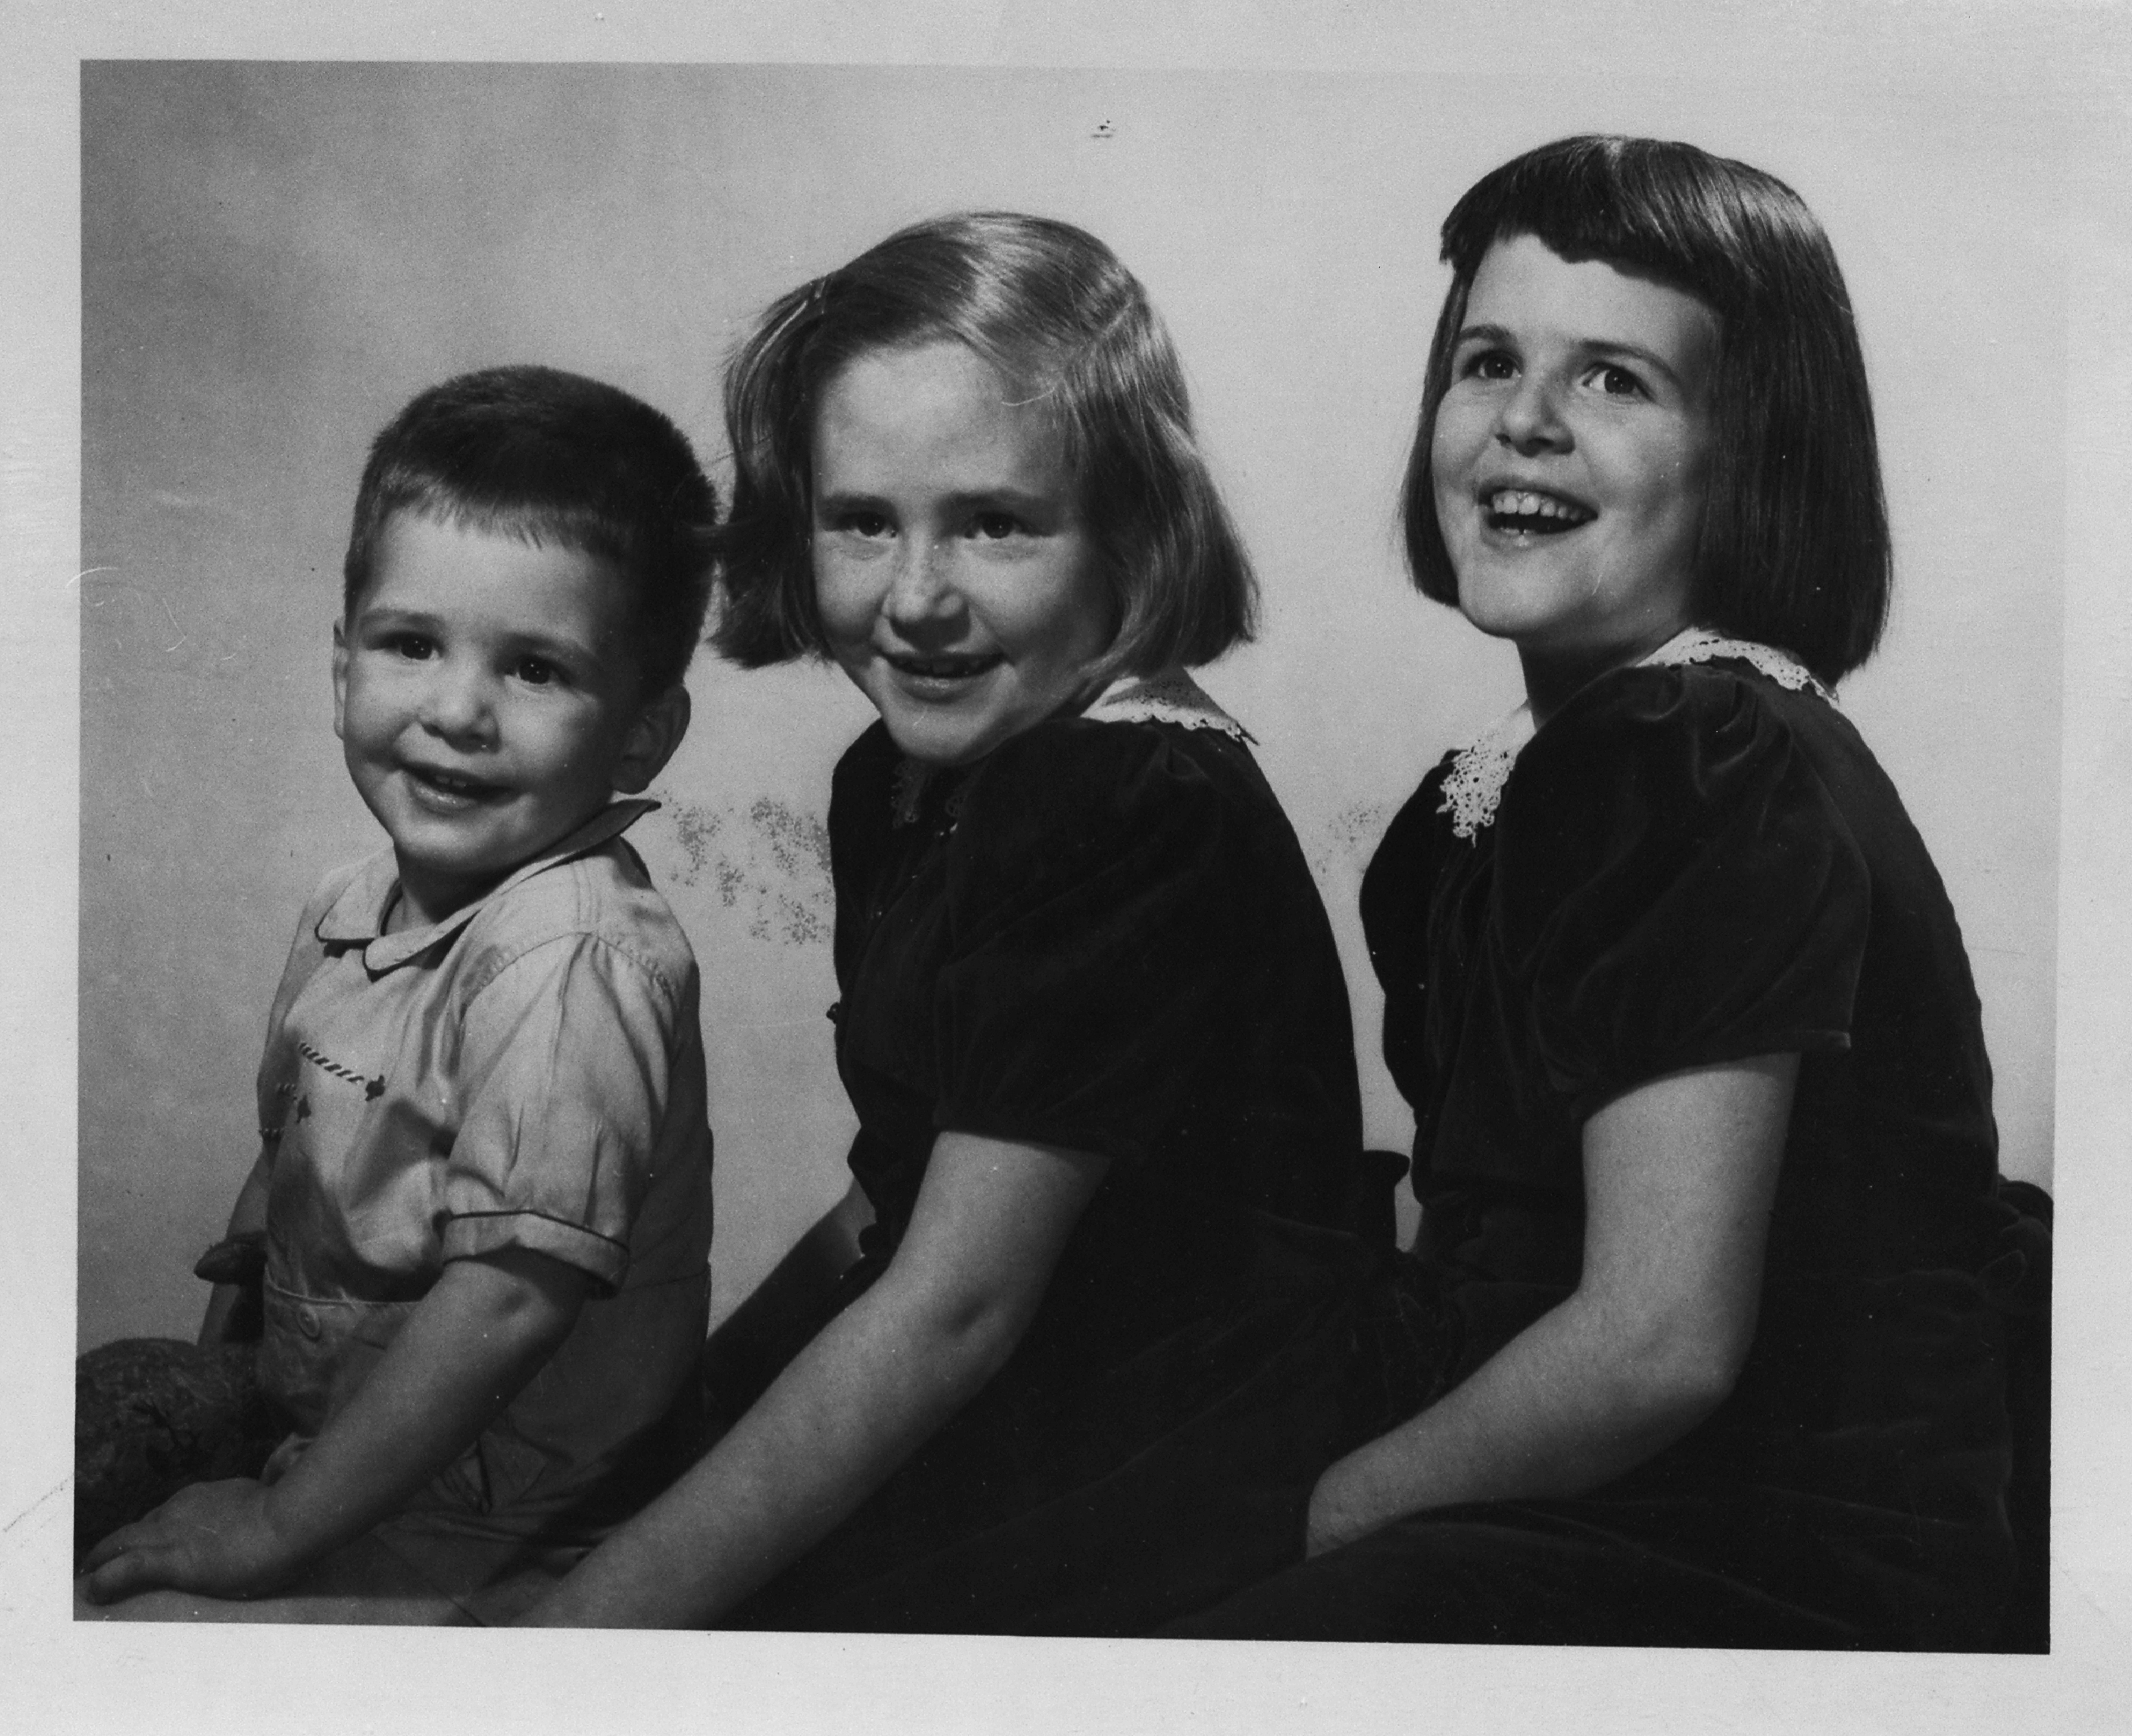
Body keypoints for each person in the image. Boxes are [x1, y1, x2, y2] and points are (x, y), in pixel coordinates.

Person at [1167, 136, 2047, 1650]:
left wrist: (1339, 1507)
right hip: (1583, 1480)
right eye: (1488, 361)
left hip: (1758, 1552)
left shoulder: (1693, 751)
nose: (1524, 420)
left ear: (1754, 454)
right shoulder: (1517, 784)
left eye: (1614, 380)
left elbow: (1655, 1344)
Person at [520, 211, 1388, 1633]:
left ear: (1132, 534)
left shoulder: (1125, 802)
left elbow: (954, 1312)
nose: (917, 601)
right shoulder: (904, 779)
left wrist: (584, 1631)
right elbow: (891, 1205)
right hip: (998, 1395)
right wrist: (674, 1442)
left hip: (1155, 1465)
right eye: (863, 521)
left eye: (995, 524)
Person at [76, 366, 719, 1623]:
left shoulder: (571, 956)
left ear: (643, 732)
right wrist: (227, 1398)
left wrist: (272, 1529)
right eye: (412, 645)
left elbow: (509, 1301)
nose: (457, 711)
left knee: (134, 1636)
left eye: (535, 669)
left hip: (506, 1522)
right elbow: (290, 1168)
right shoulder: (350, 902)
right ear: (342, 670)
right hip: (339, 1456)